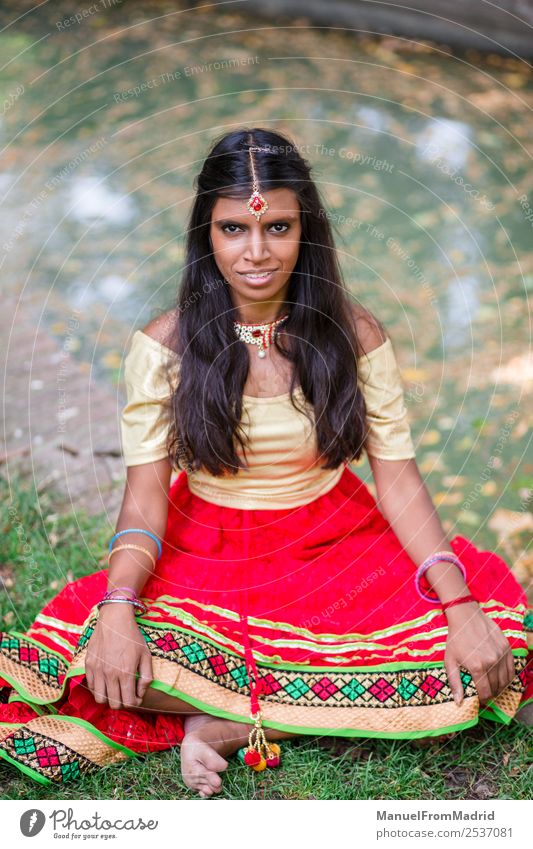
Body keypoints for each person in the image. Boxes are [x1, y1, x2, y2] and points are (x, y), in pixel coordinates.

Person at [0, 128, 531, 798]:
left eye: (277, 226)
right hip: (206, 545)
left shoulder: (354, 333)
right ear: (207, 233)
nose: (256, 251)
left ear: (305, 230)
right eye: (233, 229)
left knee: (473, 640)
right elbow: (143, 500)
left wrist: (456, 604)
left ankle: (217, 719)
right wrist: (118, 602)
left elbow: (396, 479)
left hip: (339, 543)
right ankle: (271, 712)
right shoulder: (163, 344)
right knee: (101, 657)